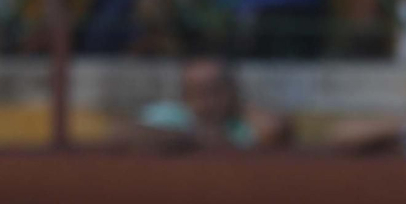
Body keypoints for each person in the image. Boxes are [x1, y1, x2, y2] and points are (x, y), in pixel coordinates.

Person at [120, 58, 292, 151]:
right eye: (196, 92)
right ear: (184, 96)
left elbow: (275, 129)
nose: (206, 101)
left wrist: (238, 108)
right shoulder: (169, 114)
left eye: (215, 91)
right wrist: (192, 139)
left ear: (231, 92)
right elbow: (125, 135)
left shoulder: (240, 124)